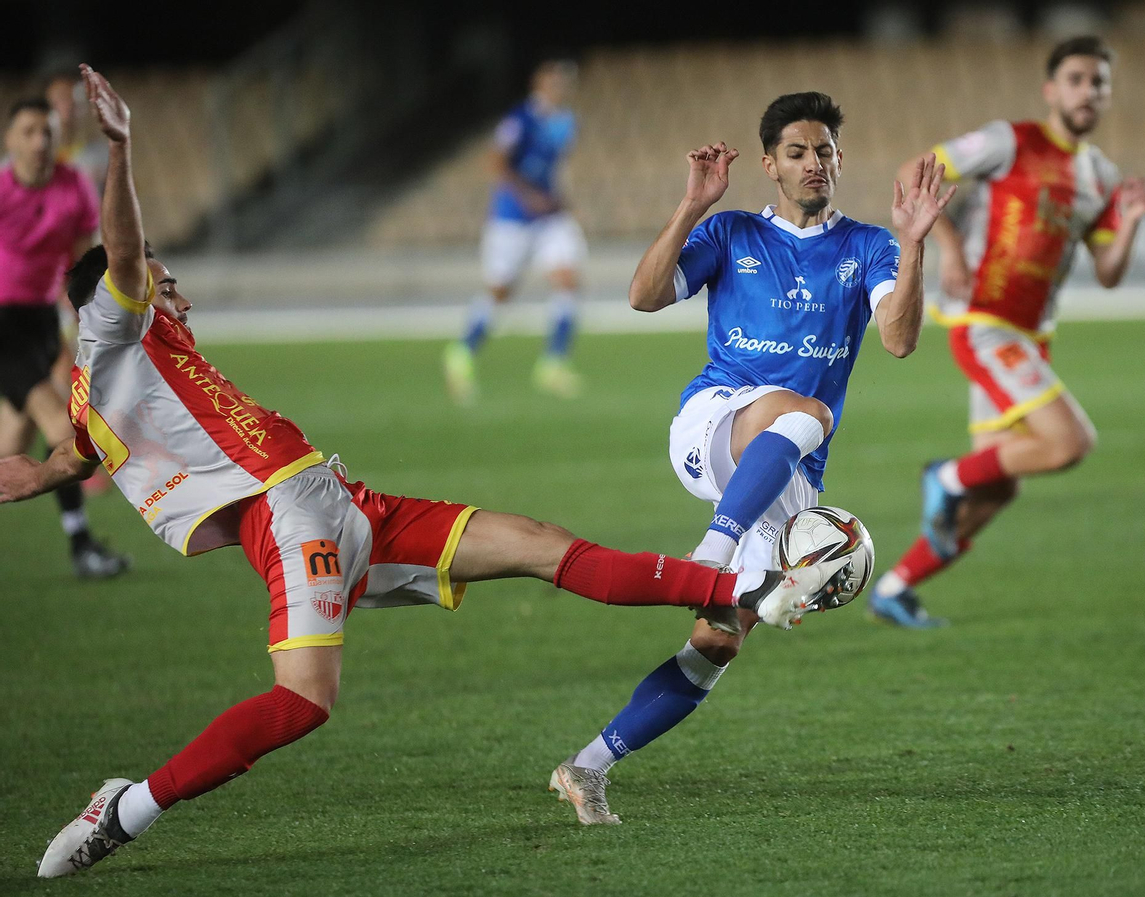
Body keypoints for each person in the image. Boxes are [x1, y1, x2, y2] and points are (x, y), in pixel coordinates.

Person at [8, 66, 847, 880]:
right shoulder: (114, 326)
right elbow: (119, 252)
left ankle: (726, 588)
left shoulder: (106, 385)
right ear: (115, 291)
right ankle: (123, 811)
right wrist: (120, 149)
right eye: (161, 272)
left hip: (341, 500)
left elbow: (69, 456)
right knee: (302, 701)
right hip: (287, 517)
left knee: (538, 544)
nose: (172, 284)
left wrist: (33, 476)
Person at [545, 91, 953, 824]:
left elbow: (898, 339)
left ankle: (586, 766)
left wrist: (915, 240)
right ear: (769, 165)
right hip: (713, 426)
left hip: (785, 468)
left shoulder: (867, 247)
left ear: (839, 159)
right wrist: (692, 205)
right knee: (810, 411)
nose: (814, 163)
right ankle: (714, 545)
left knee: (715, 643)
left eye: (824, 150)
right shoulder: (732, 233)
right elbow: (643, 296)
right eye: (797, 152)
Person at [869, 36, 1145, 628]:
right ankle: (942, 476)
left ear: (1107, 94)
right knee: (1070, 443)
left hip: (1028, 336)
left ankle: (894, 588)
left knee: (998, 488)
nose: (1087, 91)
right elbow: (912, 171)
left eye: (1098, 81)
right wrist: (944, 246)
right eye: (1076, 78)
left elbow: (1107, 274)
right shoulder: (1011, 140)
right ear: (1052, 89)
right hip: (984, 322)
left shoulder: (1101, 176)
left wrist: (1129, 226)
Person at [0, 94, 129, 578]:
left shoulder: (73, 186)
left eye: (46, 133)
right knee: (65, 432)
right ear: (10, 140)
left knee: (12, 436)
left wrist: (82, 327)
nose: (38, 141)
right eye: (28, 132)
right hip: (1, 325)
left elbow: (76, 269)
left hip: (37, 324)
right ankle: (82, 546)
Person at [444, 60, 588, 402]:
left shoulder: (566, 122)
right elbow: (496, 161)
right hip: (512, 218)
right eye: (553, 80)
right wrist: (528, 195)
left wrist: (562, 199)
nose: (560, 86)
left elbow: (556, 165)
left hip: (548, 217)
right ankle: (462, 351)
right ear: (538, 83)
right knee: (500, 291)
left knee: (567, 279)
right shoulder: (519, 119)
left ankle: (552, 364)